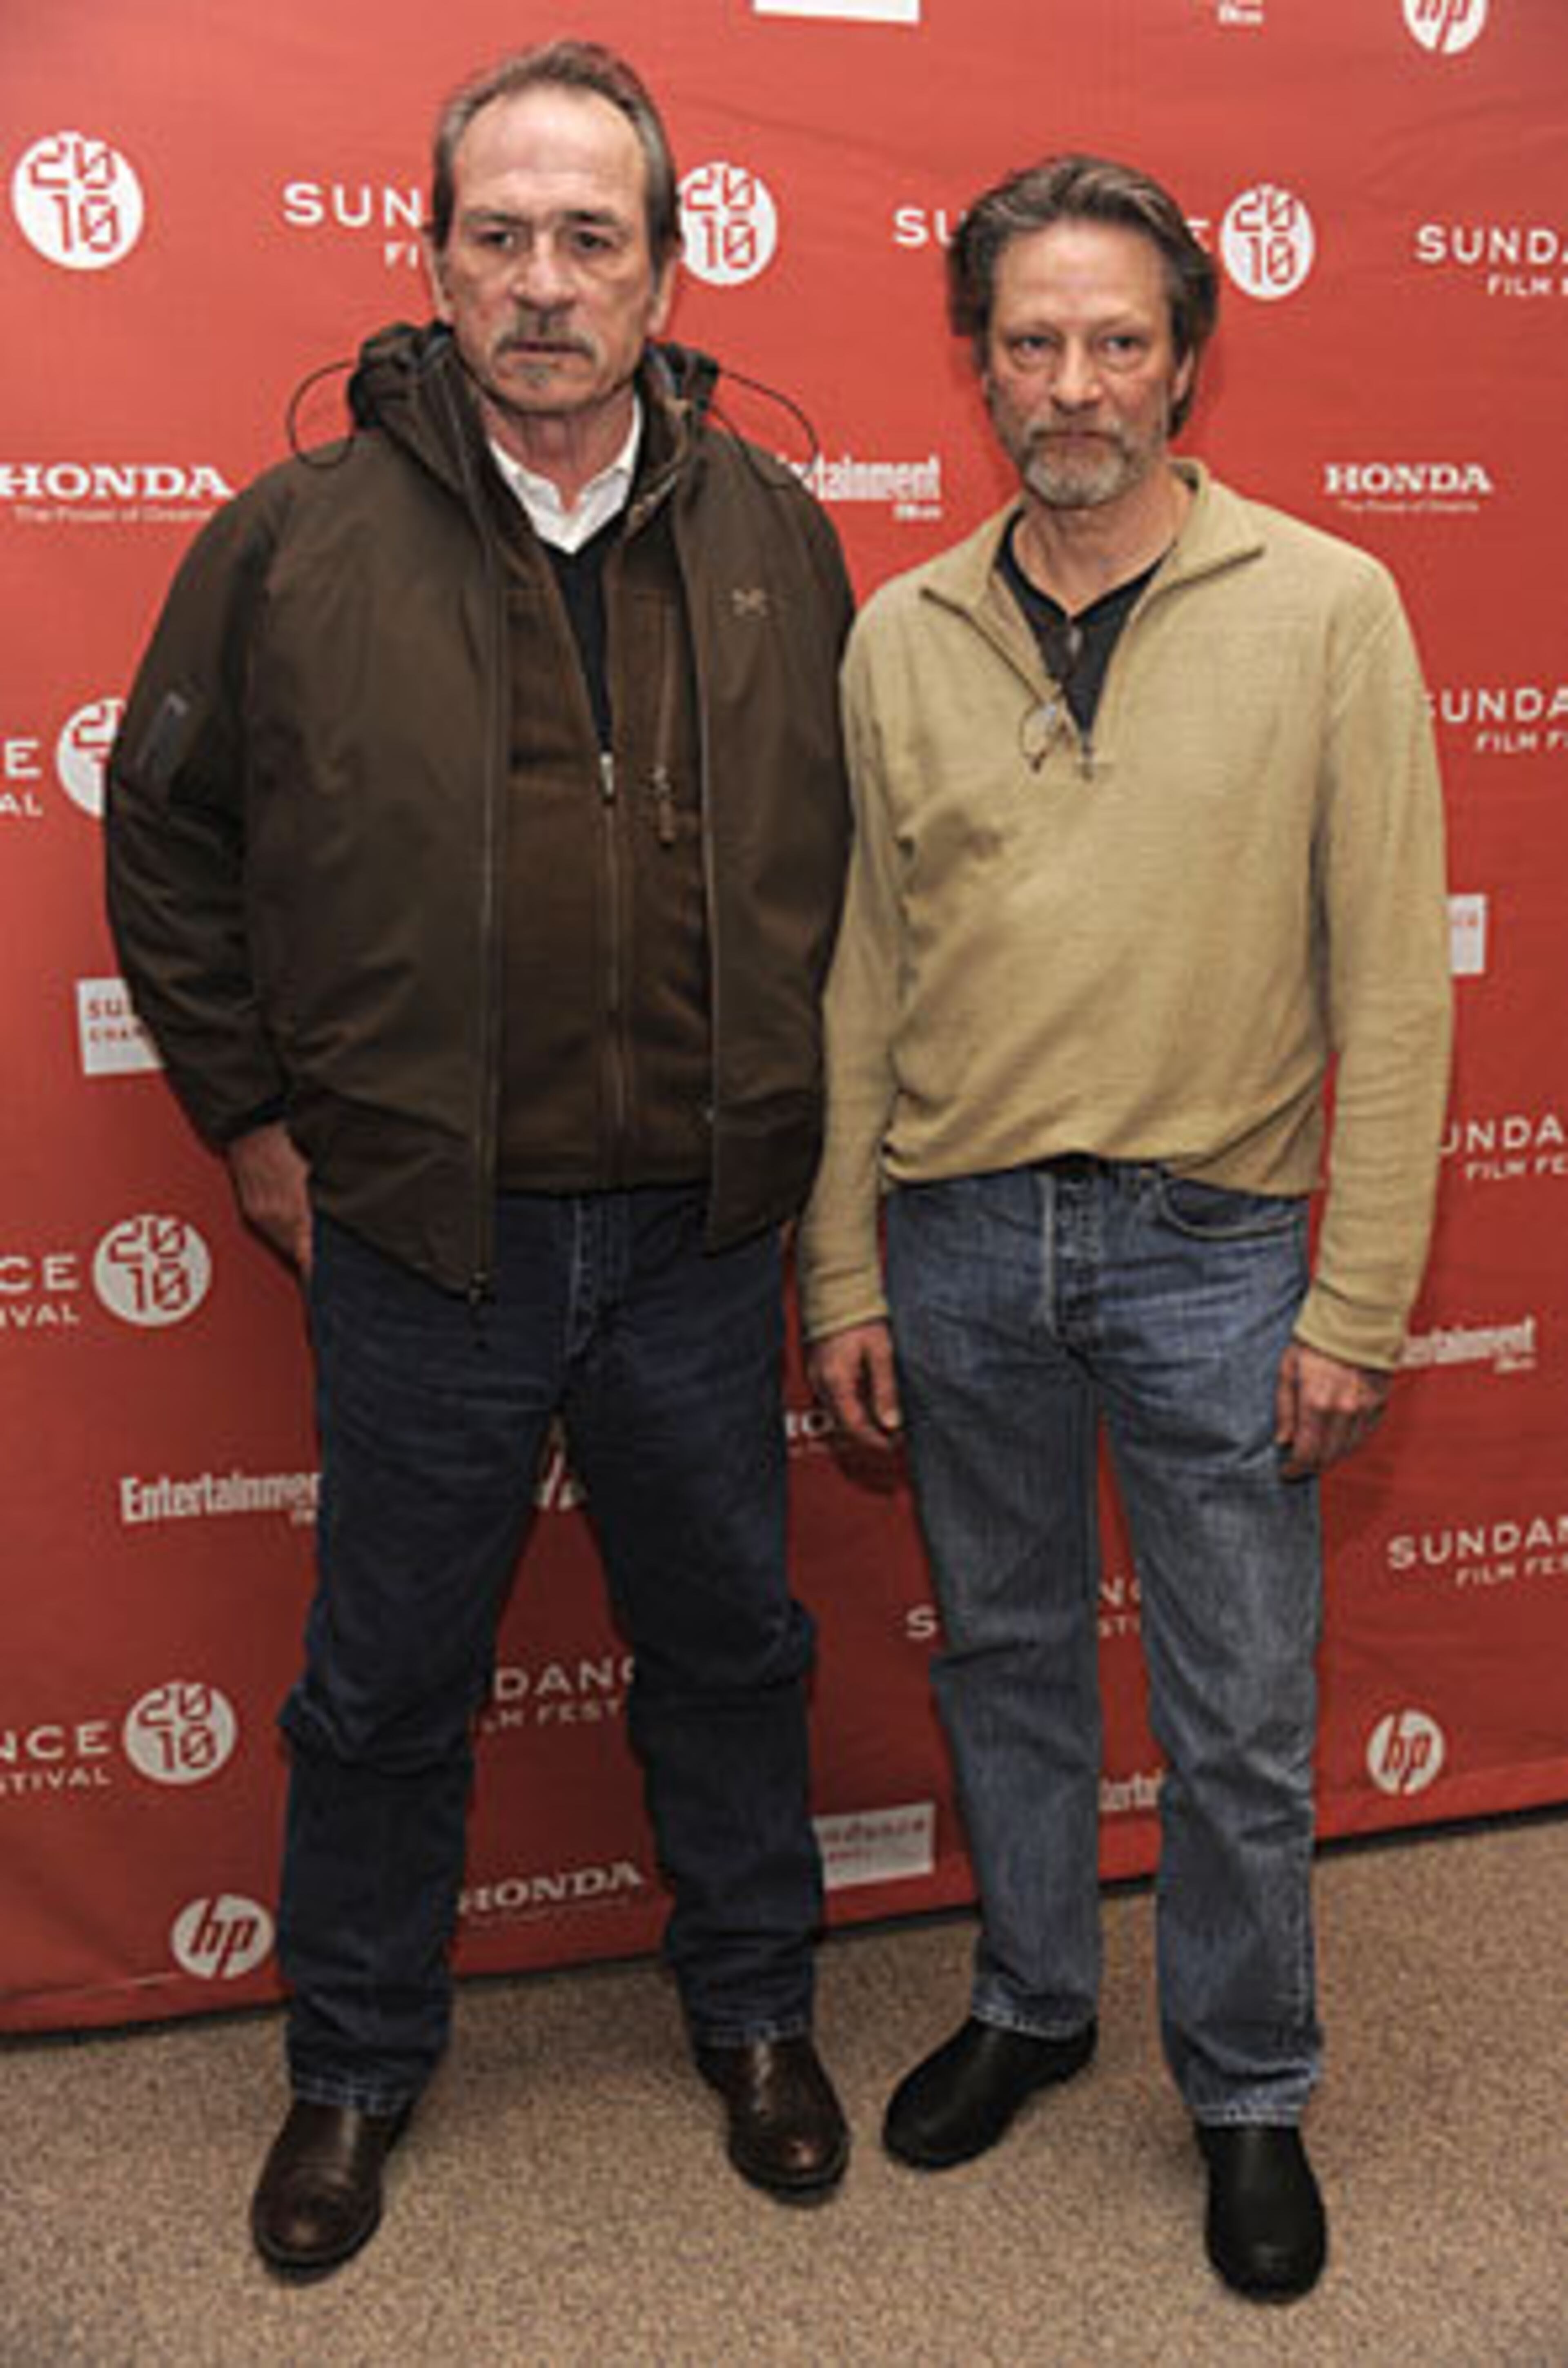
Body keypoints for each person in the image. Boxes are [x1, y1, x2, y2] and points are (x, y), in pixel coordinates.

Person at [106, 40, 855, 2276]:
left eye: (588, 237)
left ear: (666, 265)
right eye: (498, 236)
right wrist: (246, 1110)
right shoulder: (291, 539)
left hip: (705, 1234)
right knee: (386, 1676)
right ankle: (350, 2060)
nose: (542, 282)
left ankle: (753, 2008)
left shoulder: (775, 532)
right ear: (432, 260)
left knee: (730, 1643)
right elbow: (165, 831)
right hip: (430, 1237)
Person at [799, 154, 1451, 2302]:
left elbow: (1388, 977)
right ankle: (1036, 1998)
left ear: (1188, 355)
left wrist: (1356, 1296)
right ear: (978, 362)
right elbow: (864, 977)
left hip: (1218, 1247)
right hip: (964, 1238)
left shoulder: (1330, 604)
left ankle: (1251, 2086)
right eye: (1031, 341)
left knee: (1241, 1707)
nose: (1073, 384)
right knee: (1003, 1657)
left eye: (1117, 339)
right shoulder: (900, 632)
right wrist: (843, 1263)